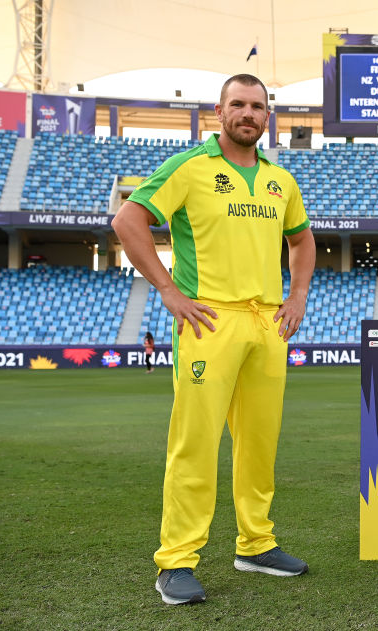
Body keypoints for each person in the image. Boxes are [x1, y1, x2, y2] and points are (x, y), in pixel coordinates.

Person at [111, 73, 316, 606]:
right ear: (219, 112)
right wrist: (168, 290)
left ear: (267, 116)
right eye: (238, 104)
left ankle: (256, 544)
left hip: (268, 323)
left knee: (259, 443)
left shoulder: (280, 180)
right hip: (208, 322)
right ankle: (176, 561)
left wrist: (297, 297)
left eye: (257, 106)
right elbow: (128, 219)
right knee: (195, 444)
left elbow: (303, 239)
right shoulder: (190, 167)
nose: (248, 113)